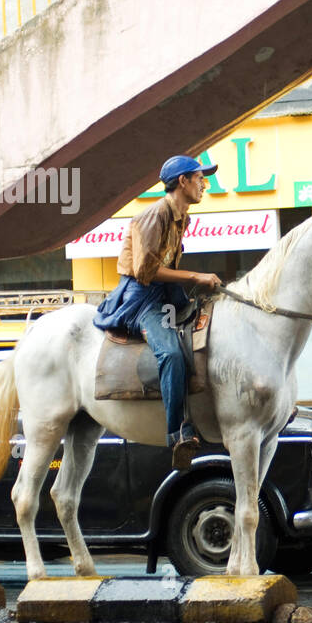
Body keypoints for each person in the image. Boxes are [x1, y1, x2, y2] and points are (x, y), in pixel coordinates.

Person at [93, 155, 223, 469]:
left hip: (166, 294)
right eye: (199, 178)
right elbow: (145, 271)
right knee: (172, 354)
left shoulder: (183, 218)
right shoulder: (154, 215)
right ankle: (176, 433)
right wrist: (196, 277)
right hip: (140, 299)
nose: (204, 184)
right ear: (183, 182)